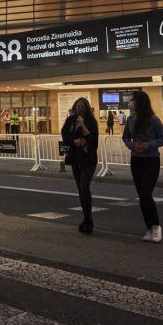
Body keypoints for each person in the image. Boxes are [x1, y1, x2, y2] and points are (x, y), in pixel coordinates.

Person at [122, 91, 163, 242]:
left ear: (140, 102)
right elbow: (125, 137)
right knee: (141, 196)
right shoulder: (130, 119)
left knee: (145, 193)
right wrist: (132, 145)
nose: (131, 103)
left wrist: (148, 145)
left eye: (133, 101)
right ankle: (148, 227)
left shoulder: (153, 120)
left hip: (151, 160)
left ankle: (156, 226)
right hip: (136, 160)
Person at [61, 97, 99, 234]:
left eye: (81, 106)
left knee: (84, 186)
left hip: (88, 159)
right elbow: (64, 134)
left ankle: (88, 219)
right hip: (76, 158)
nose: (79, 108)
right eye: (77, 106)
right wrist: (74, 142)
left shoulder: (91, 121)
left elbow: (93, 140)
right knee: (80, 190)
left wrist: (83, 126)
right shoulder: (71, 120)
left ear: (86, 108)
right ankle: (86, 219)